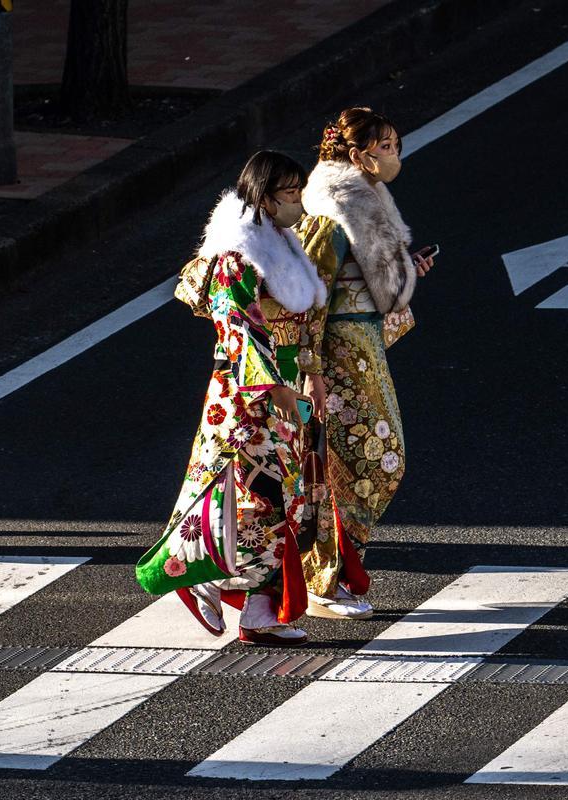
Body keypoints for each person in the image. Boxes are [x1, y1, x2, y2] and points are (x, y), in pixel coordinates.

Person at [136, 151, 326, 646]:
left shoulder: (284, 244)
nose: (299, 203)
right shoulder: (237, 255)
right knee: (262, 497)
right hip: (245, 395)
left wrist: (310, 373)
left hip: (280, 390)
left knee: (282, 498)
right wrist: (275, 387)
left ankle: (250, 603)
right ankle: (205, 573)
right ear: (264, 198)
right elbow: (236, 328)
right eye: (291, 194)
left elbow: (299, 324)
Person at [296, 107, 435, 619]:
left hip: (362, 350)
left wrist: (403, 272)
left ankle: (337, 575)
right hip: (335, 358)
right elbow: (307, 299)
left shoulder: (366, 205)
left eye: (395, 143)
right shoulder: (332, 215)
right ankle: (324, 579)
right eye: (387, 145)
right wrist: (309, 369)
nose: (395, 153)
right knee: (366, 461)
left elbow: (366, 292)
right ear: (359, 156)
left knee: (367, 462)